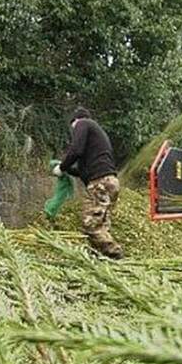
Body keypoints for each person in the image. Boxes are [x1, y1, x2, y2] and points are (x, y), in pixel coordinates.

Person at [53, 107, 124, 259]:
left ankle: (116, 255)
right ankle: (100, 259)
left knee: (90, 224)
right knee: (101, 225)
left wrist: (61, 167)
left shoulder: (83, 123)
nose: (75, 132)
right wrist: (67, 169)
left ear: (75, 121)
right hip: (110, 182)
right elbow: (82, 171)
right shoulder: (96, 139)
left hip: (101, 183)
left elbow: (75, 150)